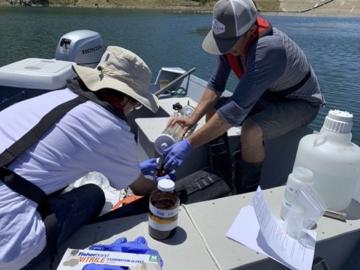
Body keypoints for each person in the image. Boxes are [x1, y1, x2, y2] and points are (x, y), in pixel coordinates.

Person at [0, 46, 163, 270]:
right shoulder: (111, 127)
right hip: (8, 244)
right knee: (94, 193)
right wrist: (161, 182)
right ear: (127, 101)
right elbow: (141, 188)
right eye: (135, 104)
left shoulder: (53, 97)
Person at [163, 0, 324, 194]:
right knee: (214, 110)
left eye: (230, 43)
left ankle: (243, 192)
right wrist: (191, 119)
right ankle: (220, 174)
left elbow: (235, 112)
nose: (226, 48)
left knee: (251, 131)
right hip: (267, 97)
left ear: (249, 31)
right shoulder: (232, 43)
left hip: (299, 103)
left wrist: (188, 145)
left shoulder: (268, 48)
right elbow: (216, 85)